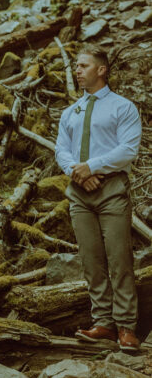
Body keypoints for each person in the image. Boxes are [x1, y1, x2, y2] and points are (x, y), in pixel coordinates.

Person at [55, 44, 142, 352]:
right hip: (79, 194)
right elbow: (61, 149)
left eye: (83, 66)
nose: (77, 71)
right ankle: (103, 322)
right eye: (76, 67)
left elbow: (128, 150)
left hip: (112, 190)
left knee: (119, 259)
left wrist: (90, 166)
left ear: (101, 70)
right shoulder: (70, 111)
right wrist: (78, 173)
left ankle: (127, 326)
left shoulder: (123, 107)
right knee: (91, 261)